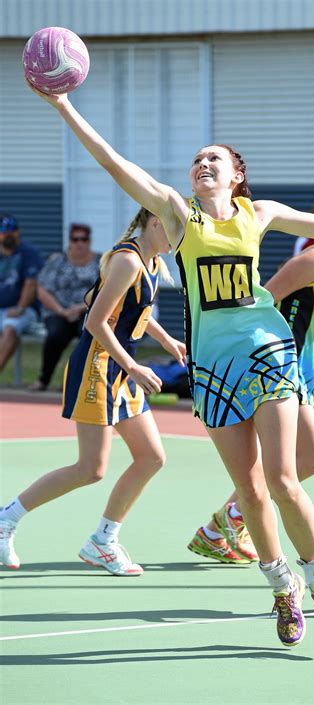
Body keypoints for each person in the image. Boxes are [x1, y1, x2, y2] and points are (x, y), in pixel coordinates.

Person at [26, 83, 314, 647]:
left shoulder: (258, 213)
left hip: (266, 350)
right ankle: (282, 589)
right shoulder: (177, 213)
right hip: (213, 369)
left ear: (236, 173)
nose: (201, 165)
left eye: (212, 158)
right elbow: (115, 163)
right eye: (195, 160)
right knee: (251, 487)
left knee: (285, 479)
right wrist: (64, 106)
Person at [0, 208, 186, 576]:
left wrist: (168, 342)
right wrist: (133, 366)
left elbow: (137, 313)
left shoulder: (151, 261)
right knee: (91, 468)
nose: (177, 241)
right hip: (97, 368)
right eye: (174, 232)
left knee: (151, 457)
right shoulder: (128, 261)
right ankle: (6, 519)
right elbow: (96, 321)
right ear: (153, 223)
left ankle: (102, 540)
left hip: (121, 369)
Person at [187, 189, 314, 567]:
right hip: (278, 366)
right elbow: (265, 298)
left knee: (305, 460)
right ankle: (228, 521)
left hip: (306, 370)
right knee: (311, 457)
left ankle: (220, 527)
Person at [29, 223, 101, 391]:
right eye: (75, 239)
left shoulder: (100, 262)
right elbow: (42, 289)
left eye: (83, 239)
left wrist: (80, 308)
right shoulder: (57, 260)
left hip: (88, 310)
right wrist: (62, 311)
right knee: (55, 335)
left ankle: (74, 381)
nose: (79, 243)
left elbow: (104, 290)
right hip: (58, 311)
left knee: (86, 335)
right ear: (69, 241)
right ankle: (43, 380)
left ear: (89, 241)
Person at [0, 214, 43, 373]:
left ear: (18, 232)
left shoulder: (28, 252)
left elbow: (31, 284)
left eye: (12, 231)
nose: (8, 234)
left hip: (24, 308)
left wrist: (20, 307)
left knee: (10, 328)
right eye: (4, 231)